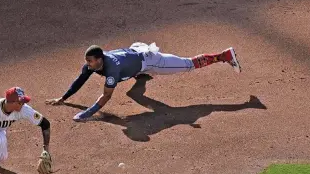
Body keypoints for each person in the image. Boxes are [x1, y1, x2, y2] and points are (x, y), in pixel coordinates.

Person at [45, 42, 242, 121]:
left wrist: (86, 114)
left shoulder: (111, 68)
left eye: (90, 61)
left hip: (149, 60)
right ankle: (139, 76)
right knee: (133, 93)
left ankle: (223, 56)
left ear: (99, 59)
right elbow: (81, 79)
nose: (87, 64)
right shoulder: (94, 64)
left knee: (188, 64)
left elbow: (106, 96)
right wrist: (63, 98)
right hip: (134, 55)